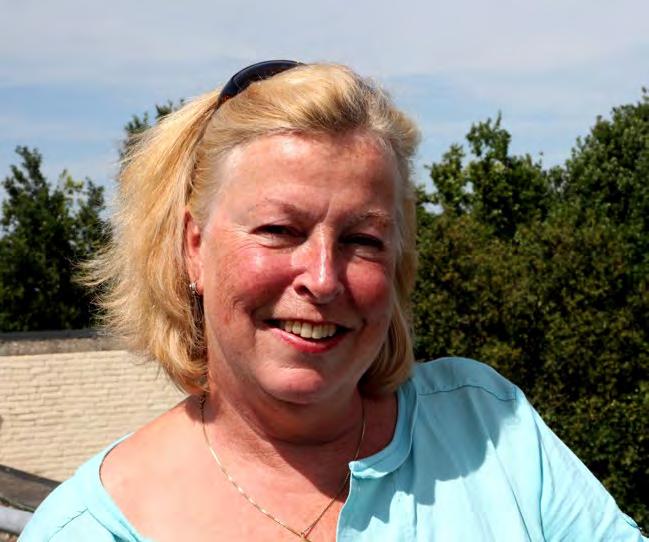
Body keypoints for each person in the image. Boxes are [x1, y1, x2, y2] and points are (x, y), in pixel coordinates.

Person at [21, 61, 646, 541]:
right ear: (193, 248)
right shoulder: (89, 529)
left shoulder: (489, 429)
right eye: (279, 230)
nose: (322, 279)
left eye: (362, 239)